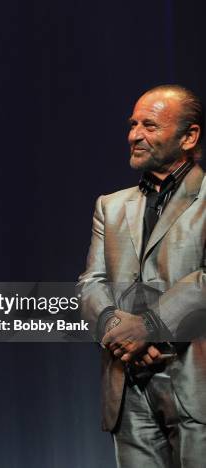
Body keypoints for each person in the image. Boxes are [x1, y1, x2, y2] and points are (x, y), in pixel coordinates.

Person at [78, 84, 206, 467]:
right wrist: (114, 326)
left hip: (196, 379)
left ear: (189, 136)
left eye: (149, 125)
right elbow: (91, 282)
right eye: (133, 124)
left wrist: (149, 325)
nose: (134, 135)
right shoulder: (111, 206)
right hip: (129, 384)